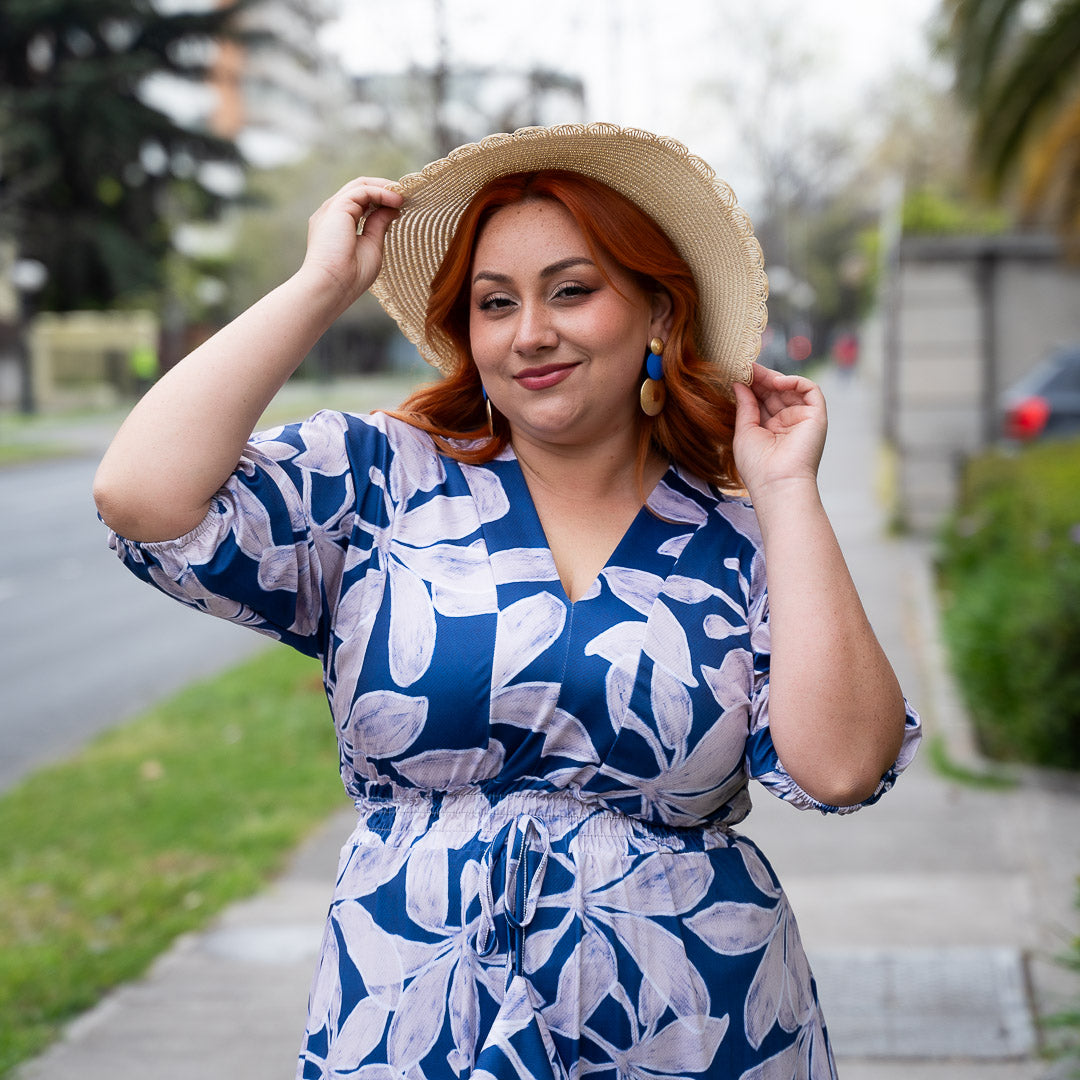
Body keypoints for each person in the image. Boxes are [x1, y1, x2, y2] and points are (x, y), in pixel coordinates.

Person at [94, 124, 921, 1080]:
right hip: (413, 1019)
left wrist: (784, 493)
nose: (531, 332)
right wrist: (320, 285)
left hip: (694, 1020)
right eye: (496, 304)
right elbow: (142, 496)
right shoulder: (381, 481)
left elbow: (843, 768)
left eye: (572, 290)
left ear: (658, 310)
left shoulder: (741, 538)